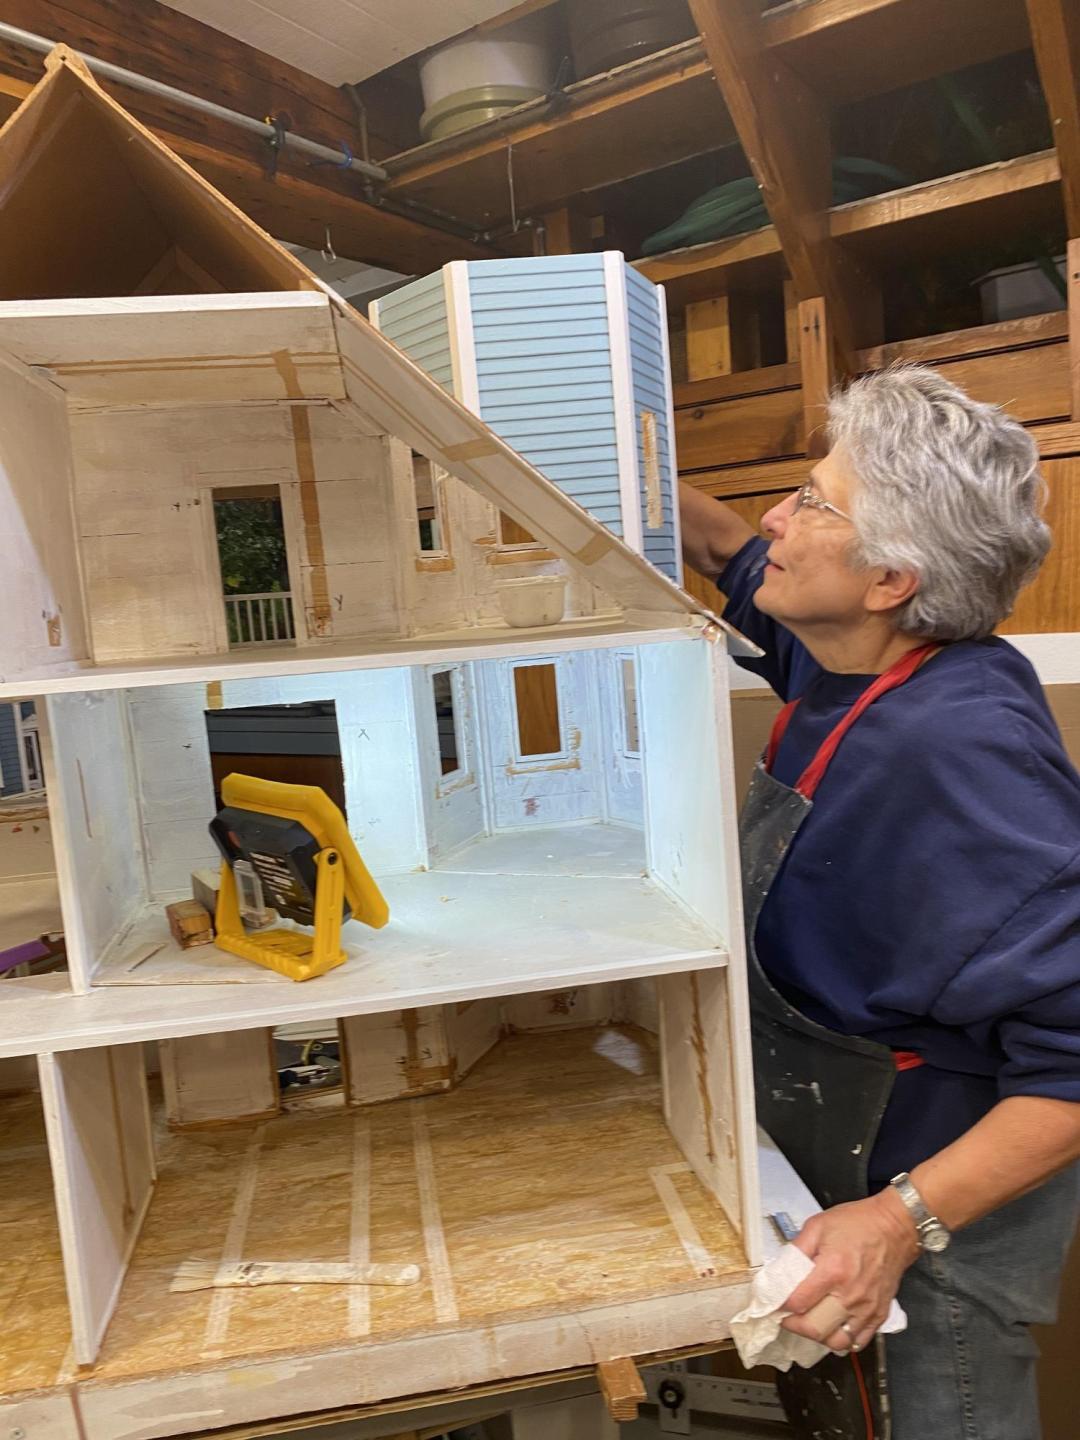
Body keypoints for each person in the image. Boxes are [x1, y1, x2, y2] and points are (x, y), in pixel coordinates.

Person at [679, 365, 1080, 1439]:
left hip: (932, 1247)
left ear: (890, 576)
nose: (778, 517)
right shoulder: (848, 656)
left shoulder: (960, 753)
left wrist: (897, 1223)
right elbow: (726, 547)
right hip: (841, 1193)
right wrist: (585, 463)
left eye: (811, 499)